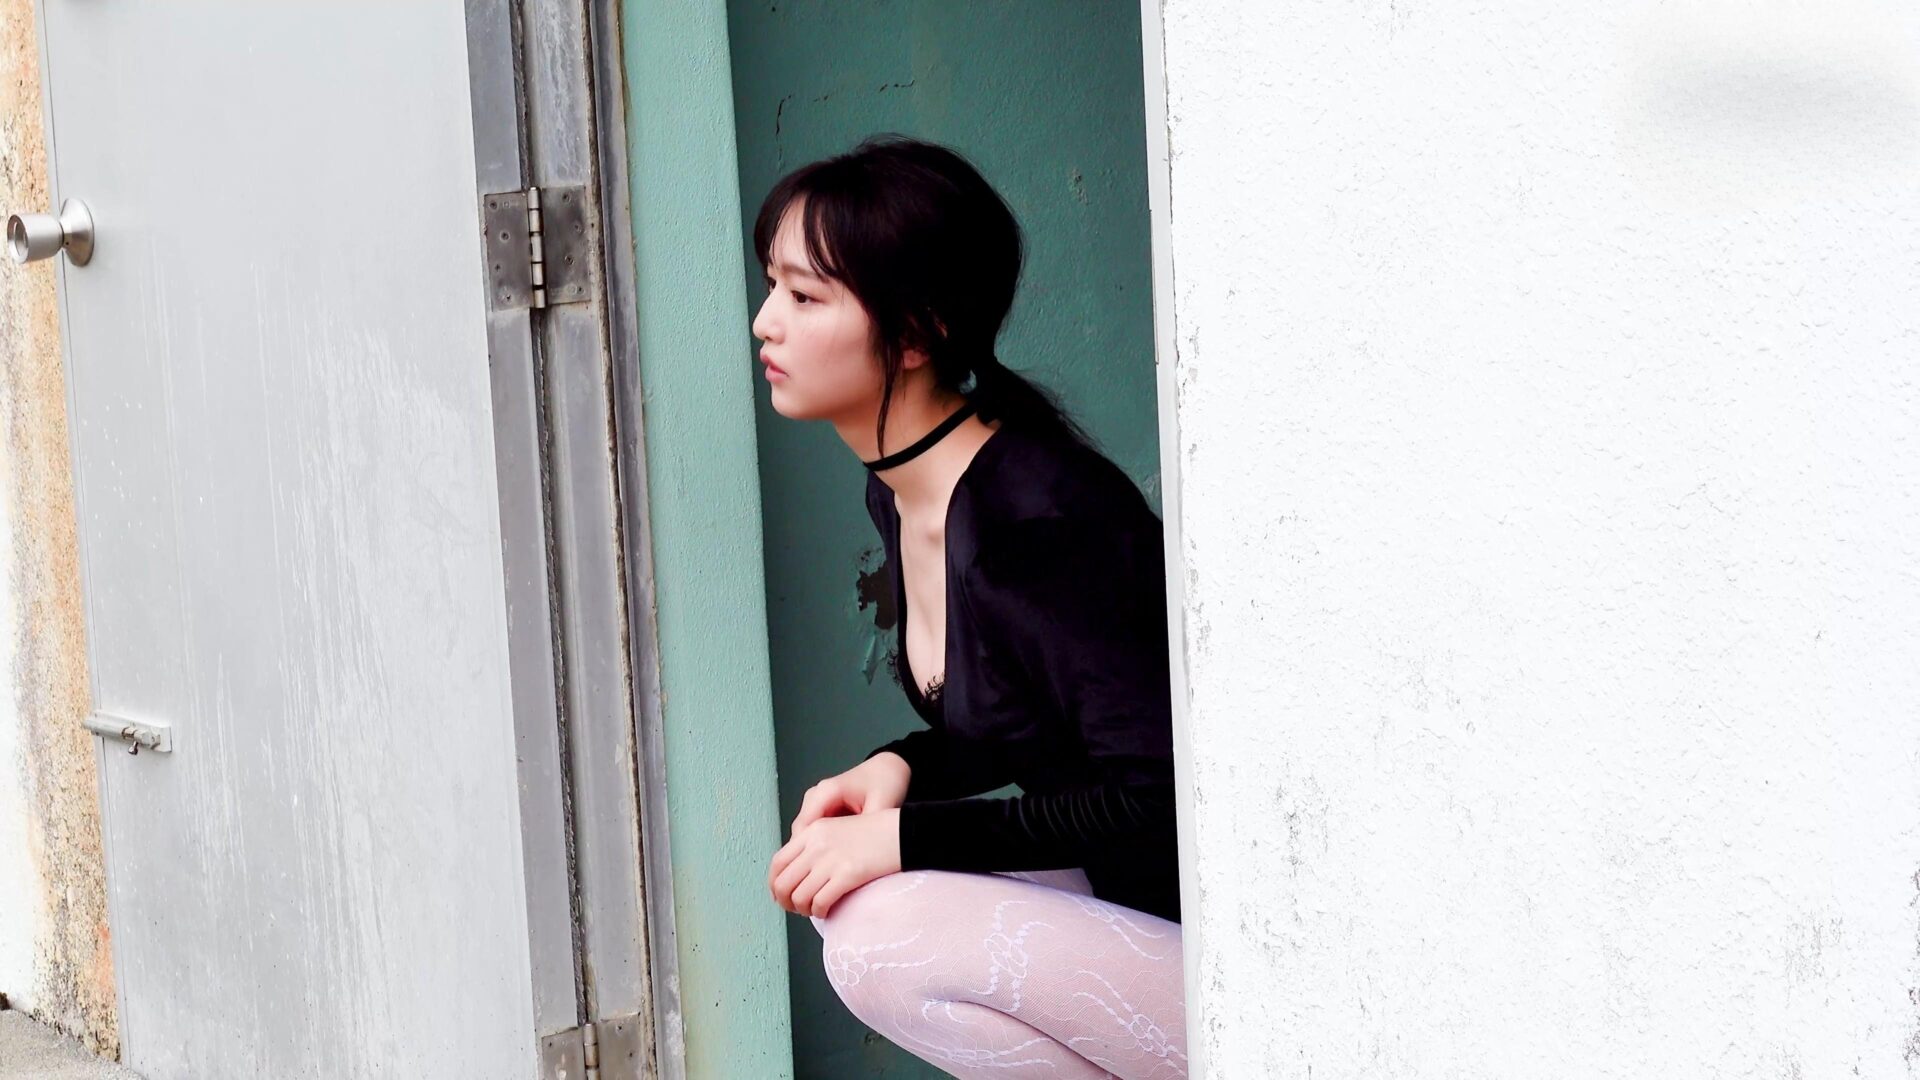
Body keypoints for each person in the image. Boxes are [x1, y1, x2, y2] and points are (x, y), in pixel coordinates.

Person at [758, 134, 1187, 1080]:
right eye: (772, 287)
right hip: (1127, 905)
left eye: (804, 296)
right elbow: (1037, 719)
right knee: (857, 905)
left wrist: (904, 837)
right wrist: (903, 767)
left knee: (879, 937)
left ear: (916, 334)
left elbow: (1154, 788)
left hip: (1231, 953)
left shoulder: (1040, 522)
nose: (765, 323)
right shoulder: (908, 492)